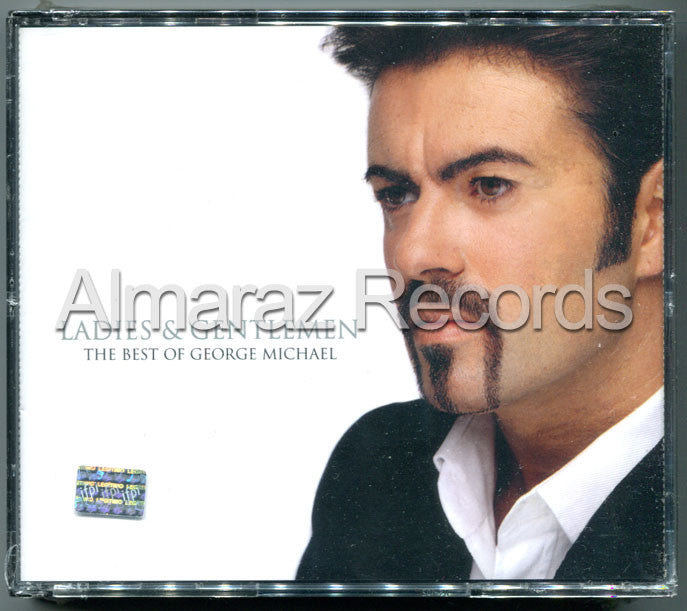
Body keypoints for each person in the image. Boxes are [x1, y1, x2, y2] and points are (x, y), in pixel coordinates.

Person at [297, 25, 666, 582]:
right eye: (395, 195)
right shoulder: (379, 467)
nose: (414, 254)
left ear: (655, 220)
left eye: (490, 185)